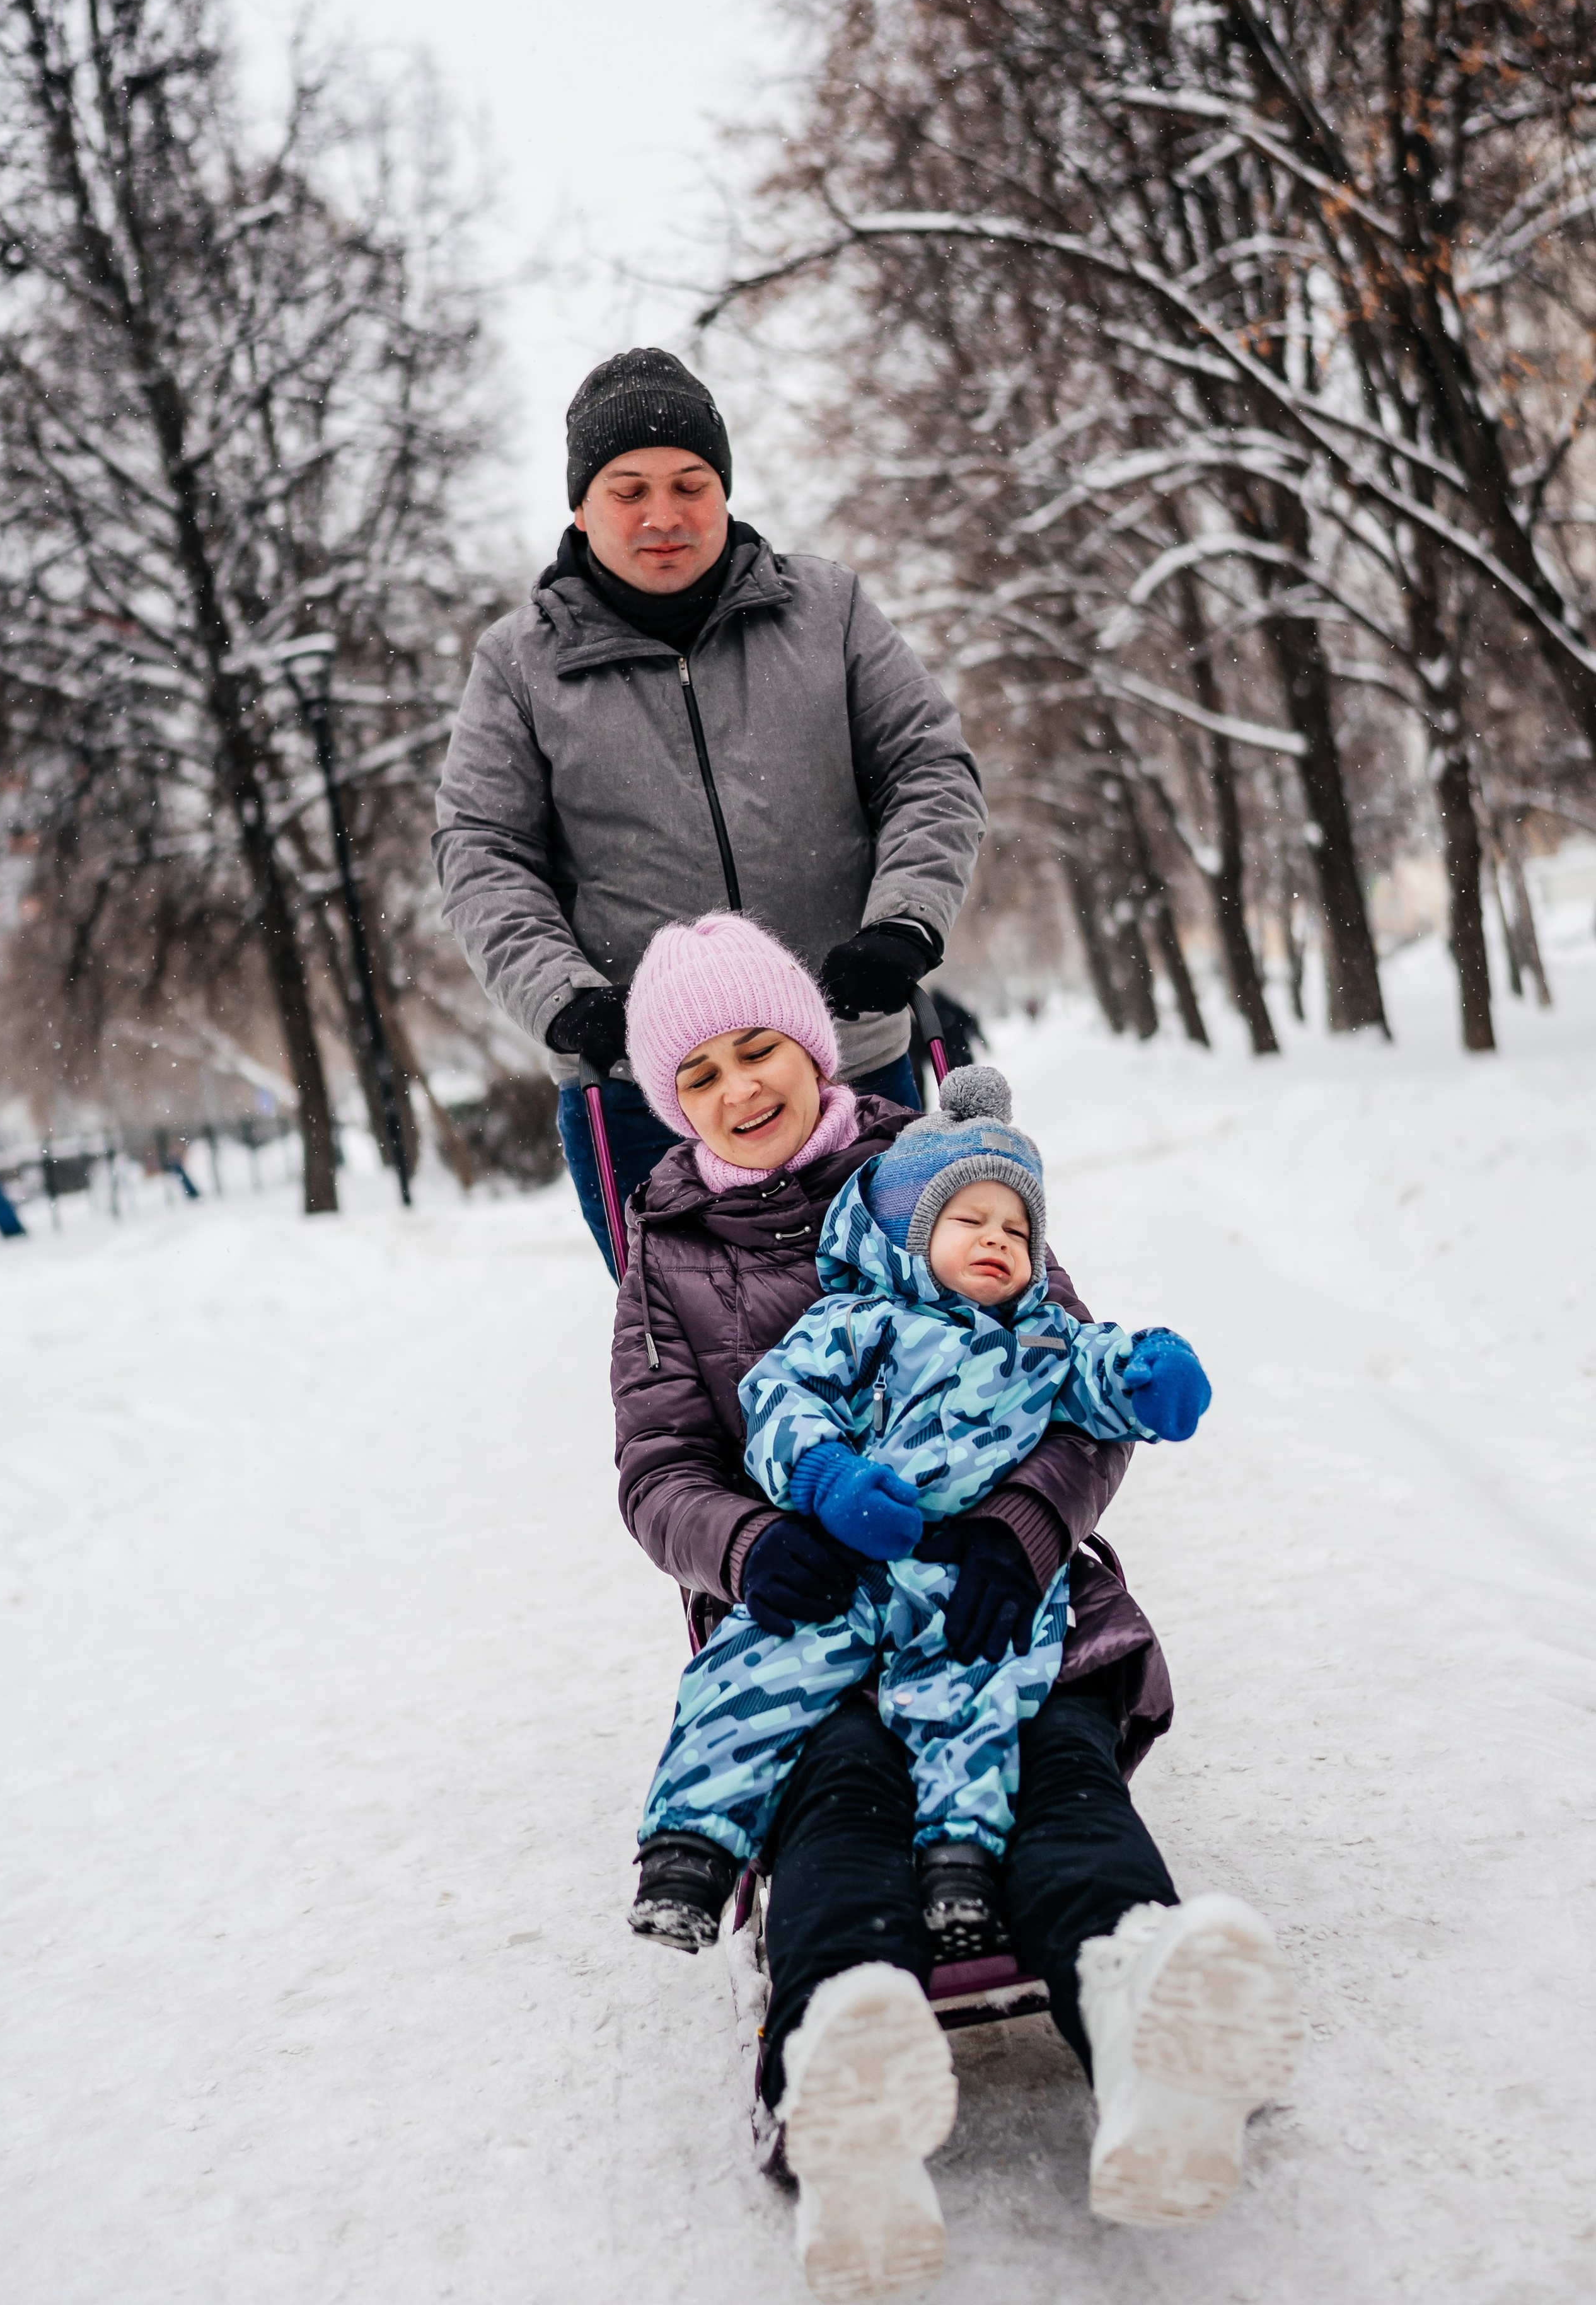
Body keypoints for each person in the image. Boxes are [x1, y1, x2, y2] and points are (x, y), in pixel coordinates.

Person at [610, 913, 1300, 2300]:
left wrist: (1022, 1522)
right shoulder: (665, 1255)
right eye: (699, 1077)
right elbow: (658, 1469)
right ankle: (842, 2060)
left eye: (763, 1051)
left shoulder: (946, 1179)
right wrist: (747, 1545)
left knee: (1055, 1769)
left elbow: (1075, 1378)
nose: (741, 1092)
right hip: (813, 1609)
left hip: (1000, 1593)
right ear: (664, 1104)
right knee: (840, 1789)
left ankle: (1142, 2010)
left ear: (814, 1049)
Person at [632, 1061, 1213, 1959]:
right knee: (752, 1684)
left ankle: (962, 1872)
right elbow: (770, 1404)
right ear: (902, 1237)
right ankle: (690, 1852)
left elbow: (1099, 1374)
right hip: (835, 1564)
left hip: (971, 1578)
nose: (999, 1241)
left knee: (982, 1708)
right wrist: (804, 1499)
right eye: (972, 1223)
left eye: (1018, 1229)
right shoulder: (859, 1317)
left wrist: (1150, 1376)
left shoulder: (1036, 1326)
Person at [432, 346, 988, 1271]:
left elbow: (928, 766)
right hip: (650, 1100)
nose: (664, 515)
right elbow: (482, 854)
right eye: (629, 489)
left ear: (723, 488)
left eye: (691, 483)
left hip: (851, 1063)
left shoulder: (830, 611)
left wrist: (905, 924)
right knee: (700, 1369)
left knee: (911, 1341)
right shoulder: (518, 665)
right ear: (580, 506)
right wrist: (567, 1001)